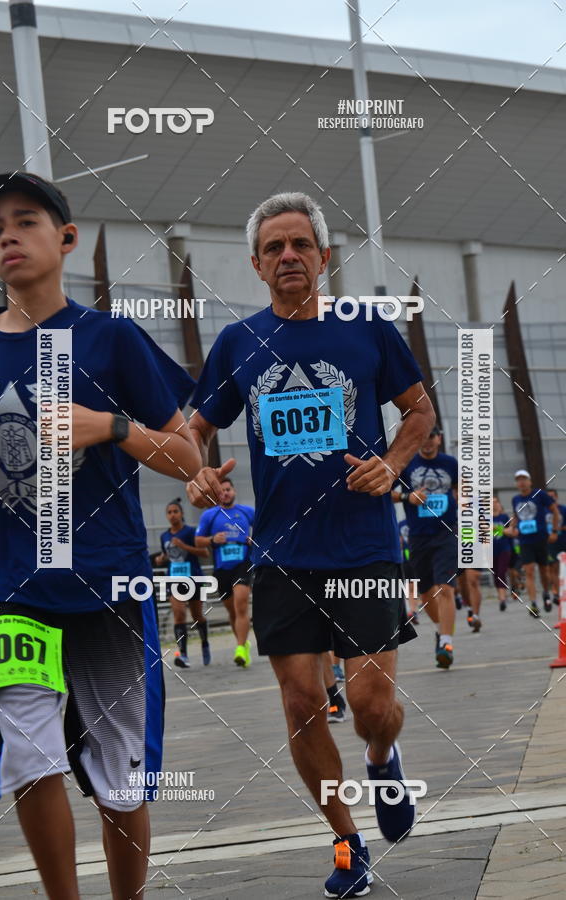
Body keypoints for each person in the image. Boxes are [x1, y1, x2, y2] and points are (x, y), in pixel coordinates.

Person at [185, 191, 435, 896]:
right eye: (274, 248)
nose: (288, 256)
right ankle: (347, 844)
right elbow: (194, 426)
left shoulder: (366, 329)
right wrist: (197, 472)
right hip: (281, 553)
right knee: (300, 705)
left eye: (300, 244)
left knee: (371, 706)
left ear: (325, 258)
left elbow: (419, 409)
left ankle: (383, 759)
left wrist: (393, 462)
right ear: (257, 265)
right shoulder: (238, 344)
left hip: (363, 546)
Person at [0, 172, 201, 900]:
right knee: (31, 757)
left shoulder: (110, 339)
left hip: (106, 583)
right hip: (8, 589)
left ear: (65, 239)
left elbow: (187, 455)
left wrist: (113, 427)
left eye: (25, 220)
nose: (6, 234)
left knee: (121, 777)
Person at [392, 426, 458, 668]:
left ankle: (447, 643)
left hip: (446, 532)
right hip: (418, 536)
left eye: (432, 437)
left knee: (446, 587)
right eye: (424, 437)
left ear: (439, 438)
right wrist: (407, 497)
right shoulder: (407, 463)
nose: (428, 442)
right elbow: (386, 493)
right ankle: (442, 633)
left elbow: (463, 492)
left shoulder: (451, 463)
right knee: (427, 592)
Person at [195, 478, 254, 666]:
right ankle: (243, 646)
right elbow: (198, 541)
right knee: (232, 611)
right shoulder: (210, 515)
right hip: (222, 568)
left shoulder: (246, 511)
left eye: (229, 489)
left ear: (234, 491)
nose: (226, 493)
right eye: (222, 490)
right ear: (217, 494)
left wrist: (254, 538)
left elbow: (265, 526)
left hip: (243, 563)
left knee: (241, 603)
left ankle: (239, 648)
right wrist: (213, 539)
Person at [156, 499, 210, 667]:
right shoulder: (164, 536)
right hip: (175, 580)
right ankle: (183, 655)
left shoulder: (191, 532)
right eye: (169, 512)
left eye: (175, 511)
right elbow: (168, 555)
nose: (172, 515)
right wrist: (161, 559)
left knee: (197, 616)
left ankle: (205, 643)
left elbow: (205, 553)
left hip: (193, 578)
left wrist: (184, 546)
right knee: (179, 614)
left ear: (182, 514)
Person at [511, 470, 559, 617]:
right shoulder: (515, 499)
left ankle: (545, 592)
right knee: (529, 571)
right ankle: (533, 604)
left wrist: (554, 531)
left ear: (530, 481)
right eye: (518, 480)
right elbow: (516, 516)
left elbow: (555, 512)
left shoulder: (539, 494)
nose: (521, 482)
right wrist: (513, 527)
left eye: (524, 479)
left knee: (544, 571)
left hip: (541, 538)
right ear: (516, 484)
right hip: (525, 541)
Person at [492, 496, 514, 611]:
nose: (494, 504)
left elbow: (510, 532)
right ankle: (500, 595)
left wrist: (496, 528)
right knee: (495, 574)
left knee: (501, 572)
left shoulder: (504, 517)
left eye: (496, 502)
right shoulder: (485, 518)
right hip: (490, 550)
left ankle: (502, 598)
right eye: (491, 503)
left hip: (504, 549)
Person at [546, 489, 566, 605]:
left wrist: (558, 529)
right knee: (553, 568)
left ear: (557, 497)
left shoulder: (563, 509)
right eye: (549, 497)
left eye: (553, 496)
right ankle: (557, 593)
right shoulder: (543, 511)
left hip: (563, 541)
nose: (551, 498)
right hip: (550, 544)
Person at [398, 518, 419, 625]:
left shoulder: (418, 520)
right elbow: (399, 542)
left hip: (421, 556)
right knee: (412, 585)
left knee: (414, 585)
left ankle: (414, 610)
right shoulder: (401, 524)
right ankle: (413, 611)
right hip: (408, 559)